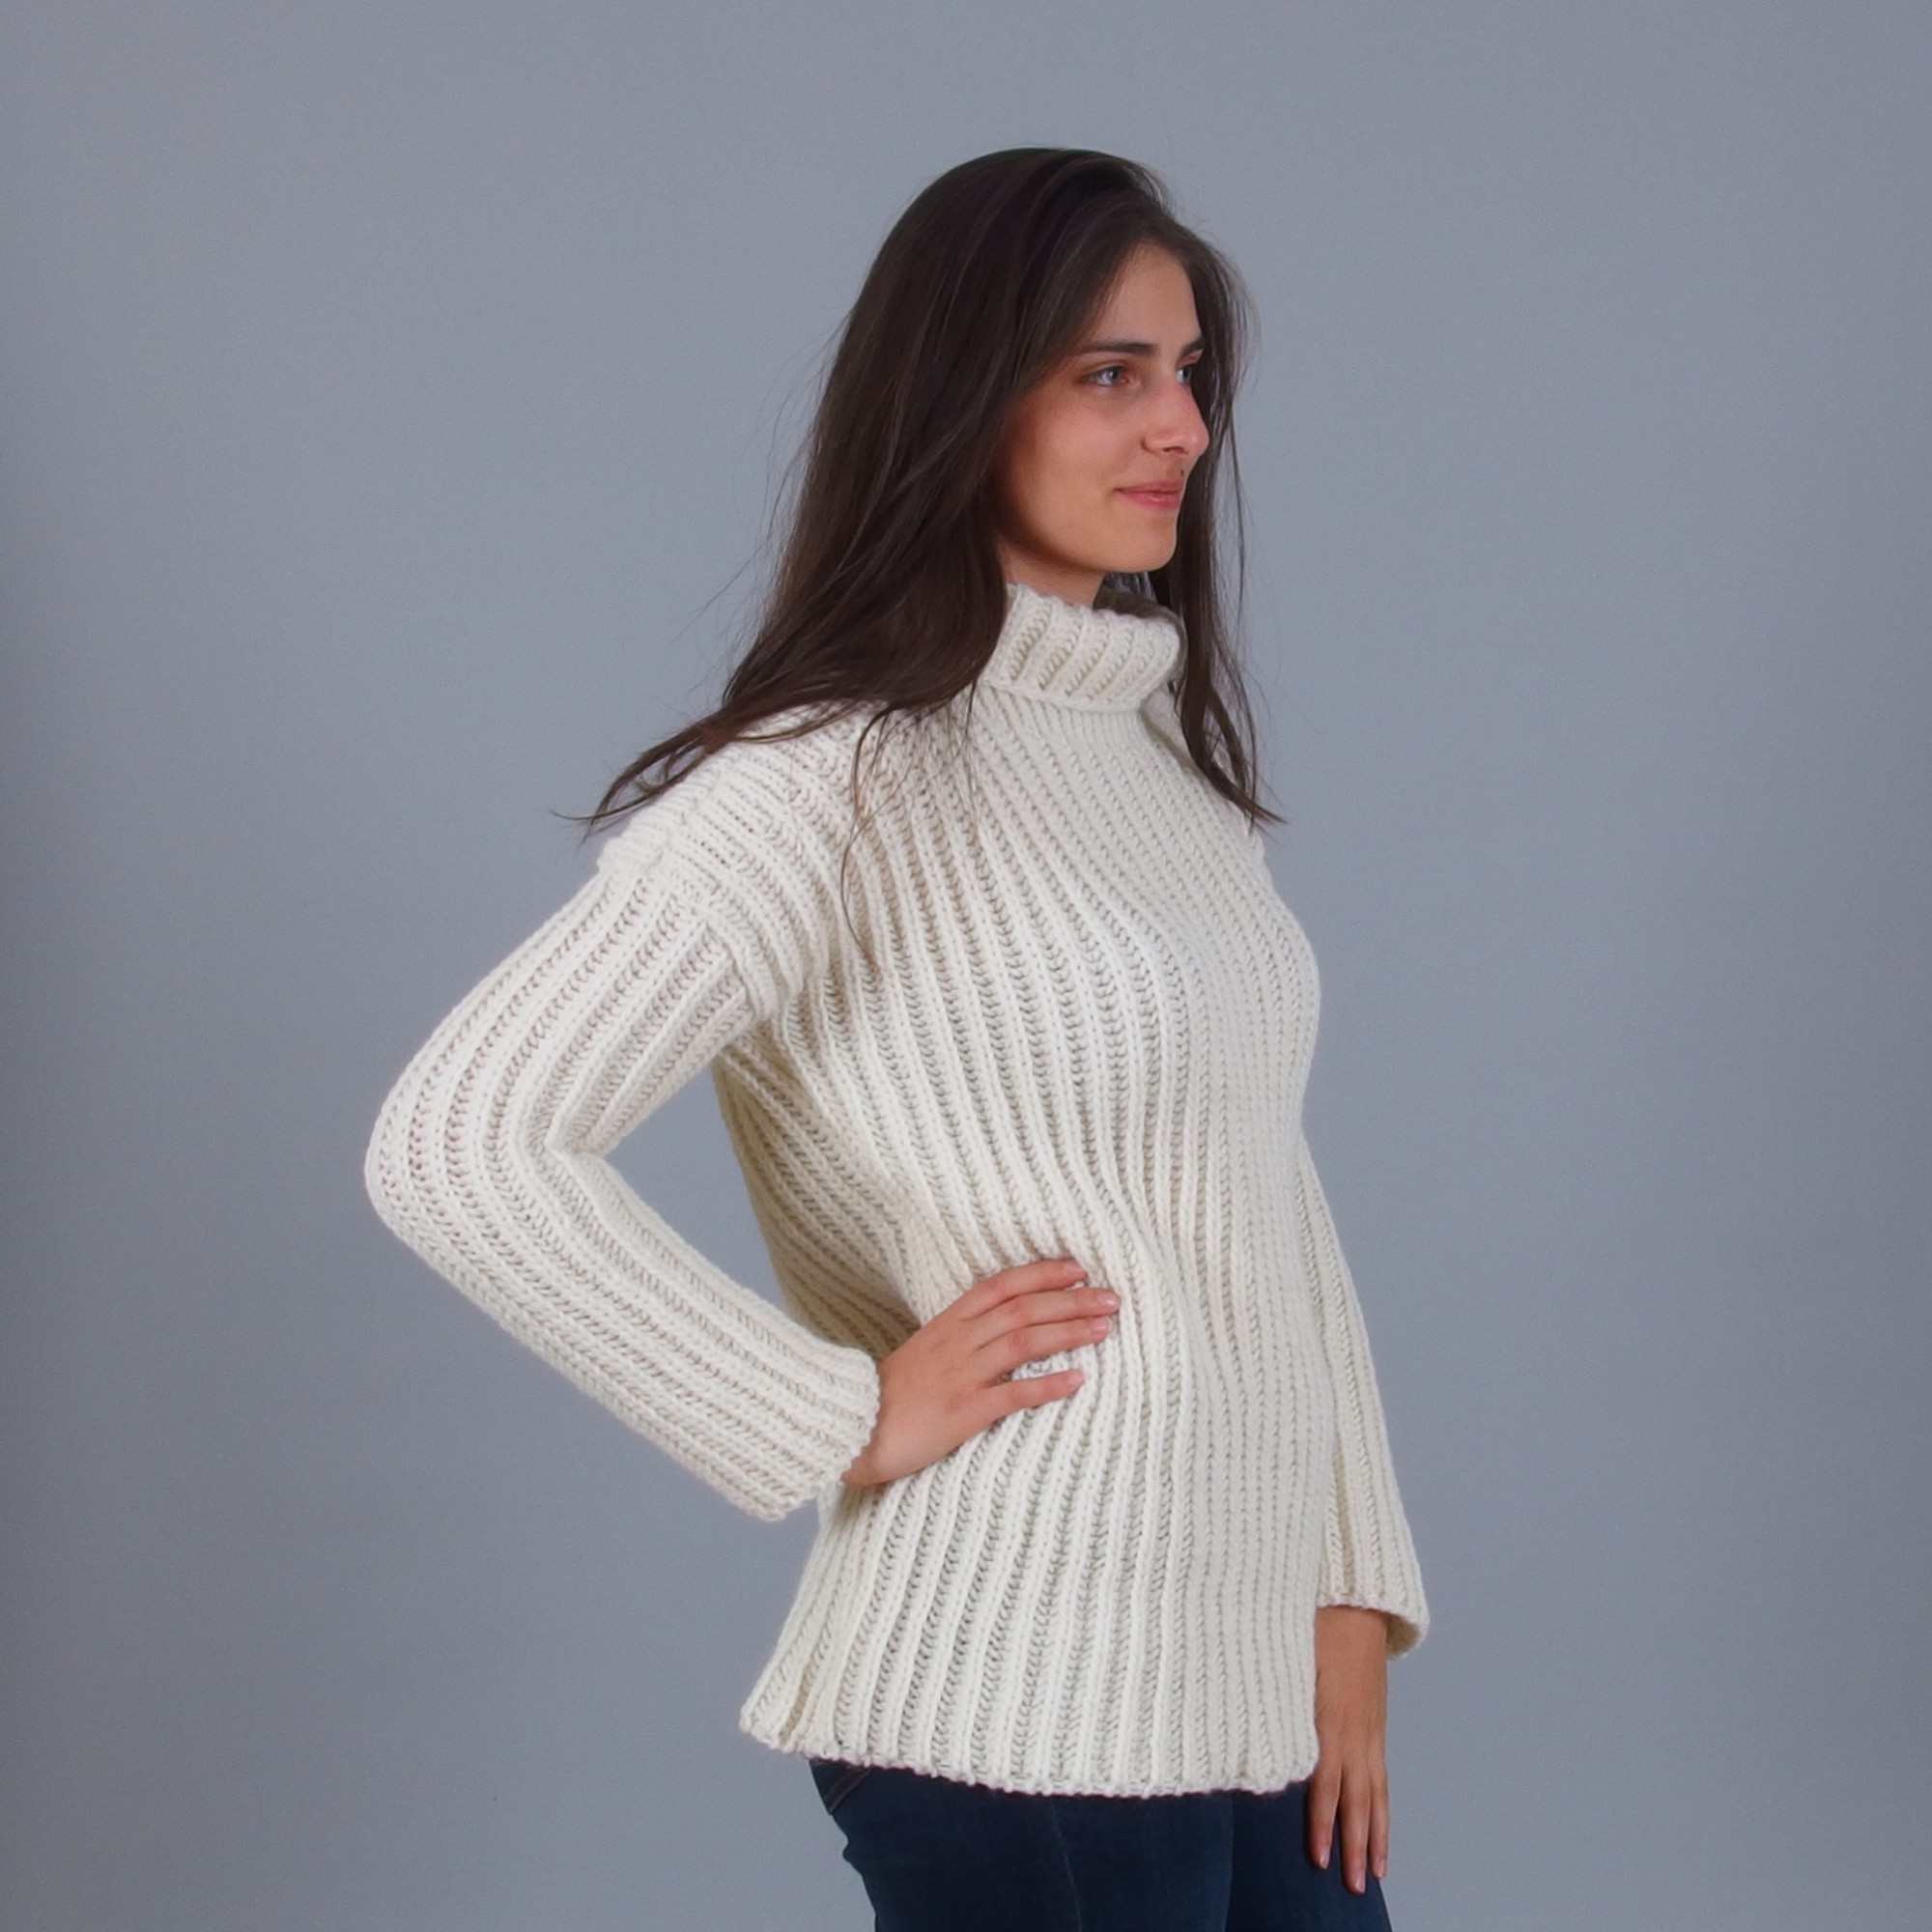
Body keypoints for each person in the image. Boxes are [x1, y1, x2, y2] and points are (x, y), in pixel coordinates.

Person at [363, 147, 1430, 1931]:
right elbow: (461, 1148)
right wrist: (837, 1412)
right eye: (1110, 373)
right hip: (1022, 1686)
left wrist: (1345, 1595)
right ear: (959, 399)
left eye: (1188, 374)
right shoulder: (827, 775)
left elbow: (1262, 1203)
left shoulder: (1165, 774)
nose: (1181, 427)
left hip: (1243, 1674)